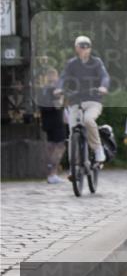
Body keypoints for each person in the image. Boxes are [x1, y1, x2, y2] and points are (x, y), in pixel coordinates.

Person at [54, 35, 110, 164]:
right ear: (76, 48)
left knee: (88, 120)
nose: (84, 49)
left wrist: (103, 86)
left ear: (90, 49)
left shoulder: (97, 62)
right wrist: (59, 88)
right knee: (73, 132)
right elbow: (63, 77)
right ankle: (75, 166)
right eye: (81, 47)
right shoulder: (71, 64)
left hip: (93, 100)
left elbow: (104, 76)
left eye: (87, 47)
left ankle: (97, 149)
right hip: (75, 101)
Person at [37, 66, 67, 184]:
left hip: (46, 121)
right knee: (60, 146)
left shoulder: (43, 89)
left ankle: (49, 174)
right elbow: (58, 105)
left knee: (50, 147)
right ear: (55, 77)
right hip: (56, 121)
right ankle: (53, 173)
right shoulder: (55, 89)